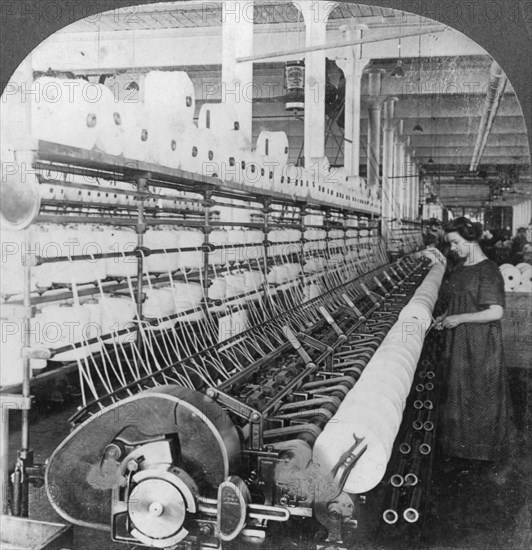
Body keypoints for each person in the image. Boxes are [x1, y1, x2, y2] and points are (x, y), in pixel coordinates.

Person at [434, 217, 516, 483]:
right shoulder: (460, 268)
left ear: (471, 238)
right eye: (450, 244)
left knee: (481, 394)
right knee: (458, 393)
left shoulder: (488, 270)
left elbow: (496, 311)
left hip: (480, 343)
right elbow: (460, 302)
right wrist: (446, 315)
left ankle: (483, 457)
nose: (453, 248)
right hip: (458, 342)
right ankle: (461, 453)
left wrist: (459, 319)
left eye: (456, 243)